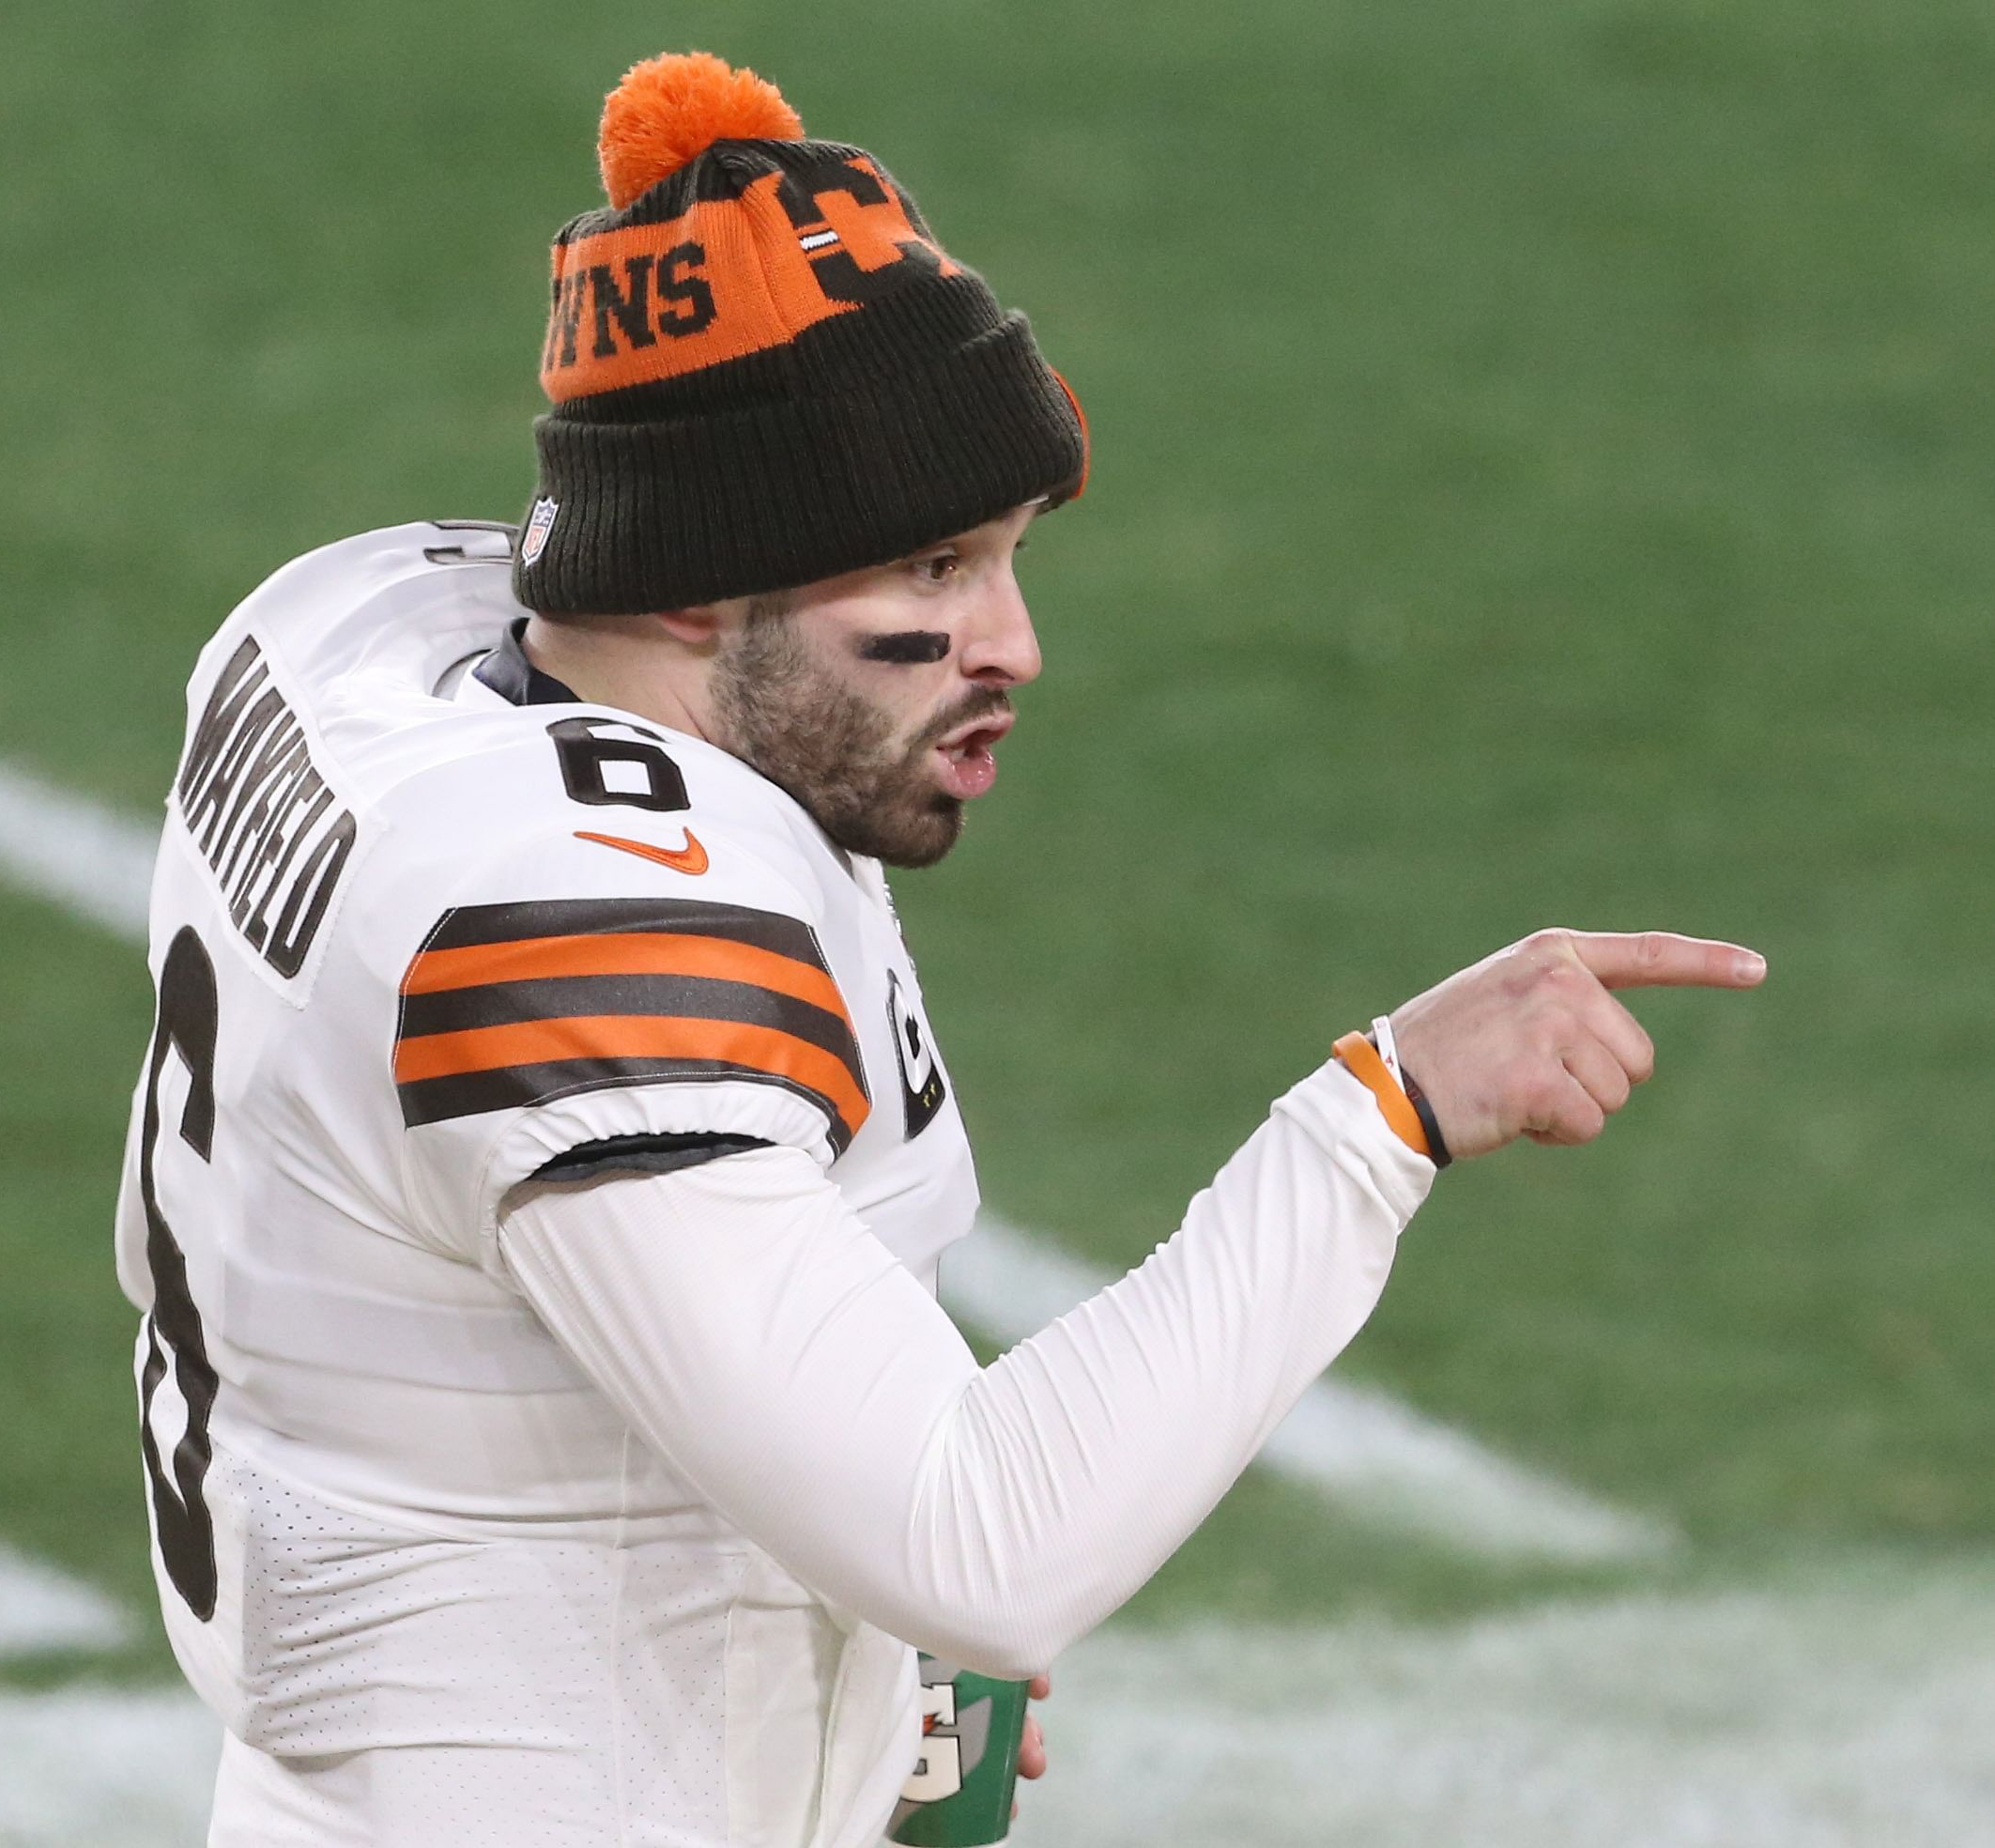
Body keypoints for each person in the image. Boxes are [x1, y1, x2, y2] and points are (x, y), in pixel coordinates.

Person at [115, 52, 1766, 1848]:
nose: (1012, 643)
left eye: (1008, 555)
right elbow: (983, 1546)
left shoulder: (386, 642)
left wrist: (840, 1675)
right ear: (688, 581)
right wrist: (1383, 1118)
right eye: (930, 573)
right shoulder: (586, 913)